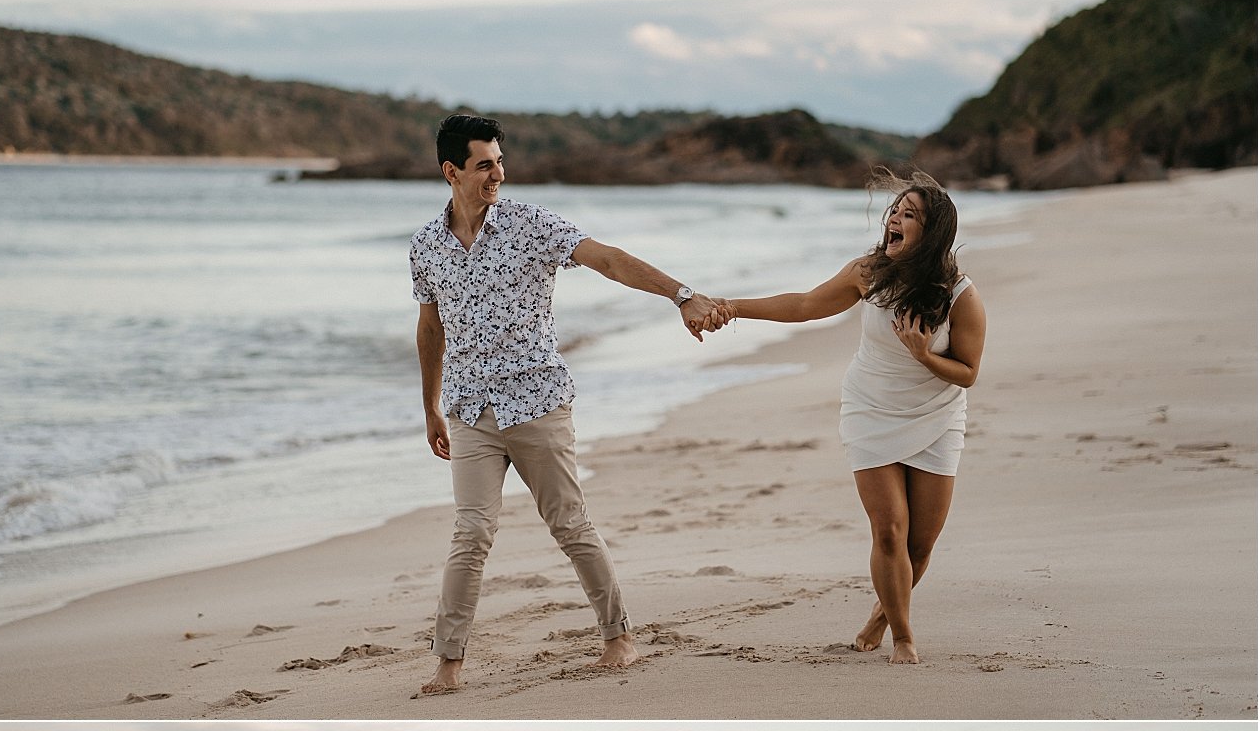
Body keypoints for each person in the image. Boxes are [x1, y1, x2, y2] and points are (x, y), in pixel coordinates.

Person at [410, 113, 730, 695]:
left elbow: (607, 258)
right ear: (451, 171)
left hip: (536, 402)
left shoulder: (533, 225)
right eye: (485, 165)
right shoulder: (426, 245)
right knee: (471, 533)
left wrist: (680, 294)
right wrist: (430, 405)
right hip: (469, 411)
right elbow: (430, 326)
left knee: (569, 524)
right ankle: (449, 663)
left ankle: (618, 637)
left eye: (500, 162)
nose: (498, 175)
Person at [714, 170, 987, 664]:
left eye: (910, 215)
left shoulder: (960, 296)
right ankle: (904, 637)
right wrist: (734, 306)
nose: (895, 221)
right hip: (870, 410)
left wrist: (924, 355)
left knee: (920, 546)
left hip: (936, 416)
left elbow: (967, 372)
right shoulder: (869, 273)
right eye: (895, 212)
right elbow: (802, 305)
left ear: (934, 232)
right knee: (889, 531)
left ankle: (881, 616)